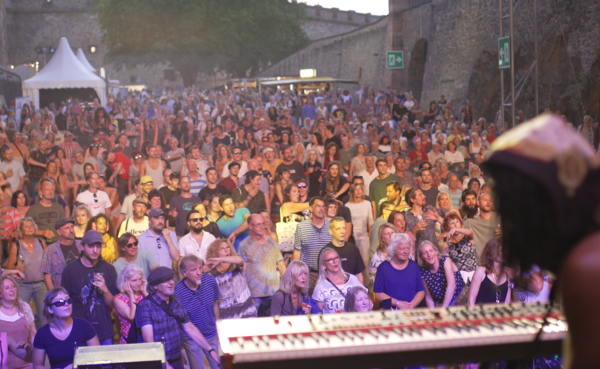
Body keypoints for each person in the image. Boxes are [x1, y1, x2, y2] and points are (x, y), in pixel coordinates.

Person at [137, 266, 220, 369]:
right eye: (166, 281)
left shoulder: (176, 301)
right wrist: (165, 364)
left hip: (176, 361)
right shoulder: (146, 305)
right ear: (155, 286)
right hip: (158, 362)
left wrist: (210, 350)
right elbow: (149, 340)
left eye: (171, 279)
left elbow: (189, 327)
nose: (171, 283)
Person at [61, 230, 119, 345]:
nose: (95, 250)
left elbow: (113, 304)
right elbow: (65, 302)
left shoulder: (108, 269)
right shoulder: (70, 270)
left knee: (106, 362)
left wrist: (105, 289)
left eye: (98, 246)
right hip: (79, 330)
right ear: (82, 246)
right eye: (91, 246)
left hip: (104, 330)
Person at [32, 287, 100, 369]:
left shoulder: (83, 325)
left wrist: (75, 365)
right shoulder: (42, 334)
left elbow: (97, 356)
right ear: (50, 309)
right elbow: (37, 365)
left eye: (68, 300)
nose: (66, 304)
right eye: (60, 302)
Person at [174, 255, 220, 369]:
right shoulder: (177, 291)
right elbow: (179, 320)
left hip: (211, 332)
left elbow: (215, 304)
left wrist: (218, 325)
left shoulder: (210, 280)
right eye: (193, 270)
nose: (198, 272)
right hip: (191, 338)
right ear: (184, 273)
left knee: (218, 366)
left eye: (200, 268)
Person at [7, 218, 47, 328]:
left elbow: (48, 264)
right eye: (26, 226)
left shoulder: (41, 242)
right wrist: (16, 268)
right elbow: (9, 267)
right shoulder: (17, 245)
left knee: (44, 315)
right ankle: (25, 341)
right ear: (21, 230)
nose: (29, 228)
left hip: (40, 284)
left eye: (31, 226)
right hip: (23, 285)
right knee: (22, 315)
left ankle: (43, 341)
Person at [238, 214, 286, 306]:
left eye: (263, 224)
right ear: (250, 226)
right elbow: (242, 272)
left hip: (274, 292)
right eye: (258, 224)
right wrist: (245, 294)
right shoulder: (243, 245)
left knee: (275, 319)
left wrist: (289, 285)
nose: (262, 227)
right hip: (255, 295)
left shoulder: (272, 242)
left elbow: (281, 264)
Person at [204, 239, 256, 319]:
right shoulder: (212, 274)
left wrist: (221, 259)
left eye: (227, 247)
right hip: (228, 315)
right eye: (222, 249)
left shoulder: (236, 266)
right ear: (215, 253)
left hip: (247, 311)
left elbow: (240, 260)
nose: (226, 250)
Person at [374, 233, 425, 310]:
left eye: (408, 248)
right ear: (393, 249)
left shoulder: (414, 266)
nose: (406, 251)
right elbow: (378, 295)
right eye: (402, 248)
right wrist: (398, 303)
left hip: (411, 310)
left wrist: (411, 306)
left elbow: (421, 291)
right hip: (390, 312)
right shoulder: (383, 268)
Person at [292, 197, 332, 292]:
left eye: (323, 206)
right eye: (318, 206)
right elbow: (297, 251)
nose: (322, 209)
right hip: (308, 274)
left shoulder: (331, 226)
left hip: (329, 273)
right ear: (310, 208)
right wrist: (294, 274)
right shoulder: (301, 227)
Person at [312, 247, 363, 314]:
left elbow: (367, 301)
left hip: (354, 321)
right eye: (330, 260)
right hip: (332, 323)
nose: (335, 261)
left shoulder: (353, 279)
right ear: (323, 265)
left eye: (336, 258)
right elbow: (316, 314)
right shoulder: (320, 286)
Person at [0, 274, 36, 369]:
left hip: (28, 362)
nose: (12, 290)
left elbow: (33, 334)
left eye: (13, 286)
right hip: (6, 365)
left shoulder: (24, 308)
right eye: (7, 288)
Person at [418, 241, 465, 307]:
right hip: (440, 303)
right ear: (421, 257)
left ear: (436, 251)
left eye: (431, 251)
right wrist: (433, 313)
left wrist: (443, 309)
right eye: (425, 253)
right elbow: (428, 296)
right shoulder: (422, 271)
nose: (429, 255)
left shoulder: (444, 260)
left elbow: (452, 285)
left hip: (458, 297)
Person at [321, 217, 365, 284]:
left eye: (344, 228)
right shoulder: (325, 252)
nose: (342, 232)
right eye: (338, 229)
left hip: (352, 290)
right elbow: (322, 277)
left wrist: (360, 291)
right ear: (330, 231)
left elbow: (359, 275)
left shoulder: (353, 249)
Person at [468, 238, 511, 305]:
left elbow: (507, 302)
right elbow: (471, 301)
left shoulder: (506, 274)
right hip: (481, 314)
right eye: (502, 250)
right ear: (492, 251)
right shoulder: (481, 271)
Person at [113, 264, 148, 344]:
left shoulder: (143, 294)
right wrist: (131, 295)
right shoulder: (118, 299)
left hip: (146, 338)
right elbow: (132, 317)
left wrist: (145, 292)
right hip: (130, 340)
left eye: (140, 279)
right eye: (134, 280)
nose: (138, 283)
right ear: (125, 281)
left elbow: (156, 311)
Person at [26, 178, 65, 245]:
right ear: (41, 193)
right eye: (47, 189)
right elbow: (25, 229)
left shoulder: (59, 207)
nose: (50, 191)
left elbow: (65, 225)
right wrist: (42, 232)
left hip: (58, 243)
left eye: (52, 189)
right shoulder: (33, 209)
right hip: (40, 244)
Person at [440, 212, 477, 284]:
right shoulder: (446, 245)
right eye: (452, 223)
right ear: (448, 227)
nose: (455, 224)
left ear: (460, 224)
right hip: (460, 278)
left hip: (474, 274)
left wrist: (456, 230)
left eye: (457, 222)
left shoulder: (467, 237)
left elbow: (470, 232)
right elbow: (447, 265)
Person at [464, 192, 500, 258]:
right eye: (485, 200)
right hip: (480, 265)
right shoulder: (471, 223)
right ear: (478, 203)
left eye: (490, 200)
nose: (488, 202)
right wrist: (439, 218)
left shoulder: (499, 218)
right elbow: (454, 224)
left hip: (498, 263)